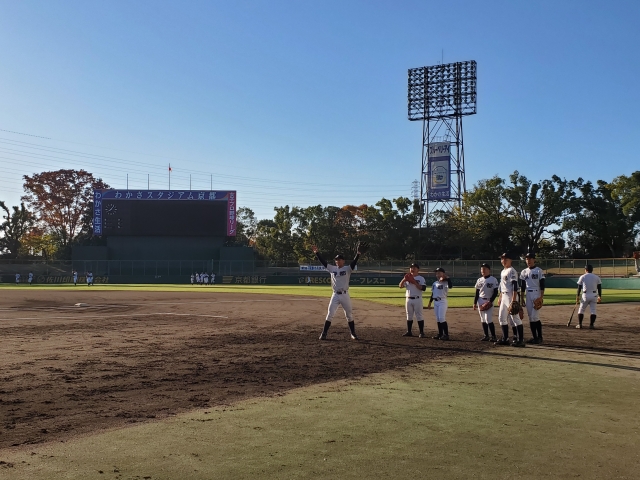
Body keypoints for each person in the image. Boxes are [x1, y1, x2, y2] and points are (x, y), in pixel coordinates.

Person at [312, 244, 364, 341]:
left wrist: (358, 254)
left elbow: (354, 262)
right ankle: (324, 333)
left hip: (345, 295)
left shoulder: (347, 269)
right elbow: (323, 262)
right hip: (335, 295)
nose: (337, 261)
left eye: (339, 260)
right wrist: (317, 253)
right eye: (336, 260)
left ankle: (353, 333)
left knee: (349, 315)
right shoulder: (332, 268)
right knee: (330, 314)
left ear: (343, 261)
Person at [497, 253, 525, 347]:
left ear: (510, 260)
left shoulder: (512, 271)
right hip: (504, 296)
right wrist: (500, 297)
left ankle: (520, 340)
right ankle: (505, 338)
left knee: (515, 318)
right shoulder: (503, 271)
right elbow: (502, 286)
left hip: (510, 296)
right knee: (501, 317)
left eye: (505, 259)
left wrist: (513, 300)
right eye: (502, 259)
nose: (503, 261)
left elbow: (514, 286)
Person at [520, 253, 545, 343]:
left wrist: (541, 297)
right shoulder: (524, 272)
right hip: (528, 294)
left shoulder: (539, 271)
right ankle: (535, 337)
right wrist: (522, 298)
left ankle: (540, 337)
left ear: (534, 259)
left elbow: (542, 285)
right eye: (527, 259)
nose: (528, 260)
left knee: (535, 317)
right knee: (531, 317)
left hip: (536, 293)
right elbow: (523, 286)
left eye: (530, 258)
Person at [399, 263, 427, 338]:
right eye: (411, 268)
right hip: (408, 299)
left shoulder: (421, 278)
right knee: (409, 315)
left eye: (414, 268)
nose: (412, 269)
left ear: (418, 270)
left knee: (419, 316)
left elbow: (423, 288)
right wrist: (404, 279)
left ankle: (421, 332)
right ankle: (409, 331)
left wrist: (414, 282)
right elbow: (400, 286)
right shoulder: (407, 278)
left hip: (417, 299)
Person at [473, 263, 499, 342]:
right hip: (480, 300)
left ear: (489, 270)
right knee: (483, 319)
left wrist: (490, 301)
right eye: (482, 269)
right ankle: (486, 336)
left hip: (489, 300)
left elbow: (496, 292)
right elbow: (477, 292)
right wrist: (474, 303)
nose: (483, 270)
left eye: (484, 269)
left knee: (488, 319)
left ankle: (493, 336)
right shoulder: (479, 280)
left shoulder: (493, 279)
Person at [427, 267, 453, 340]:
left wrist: (447, 278)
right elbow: (433, 293)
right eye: (437, 273)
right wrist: (430, 302)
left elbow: (450, 286)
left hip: (442, 301)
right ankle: (440, 334)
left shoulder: (445, 282)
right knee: (438, 319)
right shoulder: (435, 283)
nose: (438, 274)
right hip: (435, 302)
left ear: (443, 274)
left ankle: (446, 335)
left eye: (439, 273)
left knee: (441, 318)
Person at [576, 264, 602, 329]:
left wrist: (577, 296)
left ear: (586, 270)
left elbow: (579, 287)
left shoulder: (583, 276)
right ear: (592, 270)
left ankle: (580, 324)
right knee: (593, 310)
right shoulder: (596, 277)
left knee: (581, 309)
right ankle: (591, 325)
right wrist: (600, 296)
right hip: (594, 295)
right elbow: (599, 287)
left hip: (585, 295)